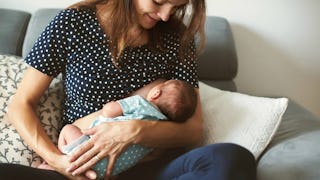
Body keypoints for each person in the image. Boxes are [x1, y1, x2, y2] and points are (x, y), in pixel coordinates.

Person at [1, 0, 257, 180]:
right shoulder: (73, 23)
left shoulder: (178, 39)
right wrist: (57, 161)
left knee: (231, 158)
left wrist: (133, 131)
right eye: (159, 1)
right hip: (82, 169)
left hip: (152, 168)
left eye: (177, 7)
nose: (167, 15)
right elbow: (20, 105)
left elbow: (192, 130)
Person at [37, 79, 197, 179]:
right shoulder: (158, 133)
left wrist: (112, 104)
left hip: (86, 150)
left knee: (68, 129)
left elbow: (109, 111)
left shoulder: (140, 103)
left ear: (155, 93)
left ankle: (58, 160)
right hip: (107, 172)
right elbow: (151, 156)